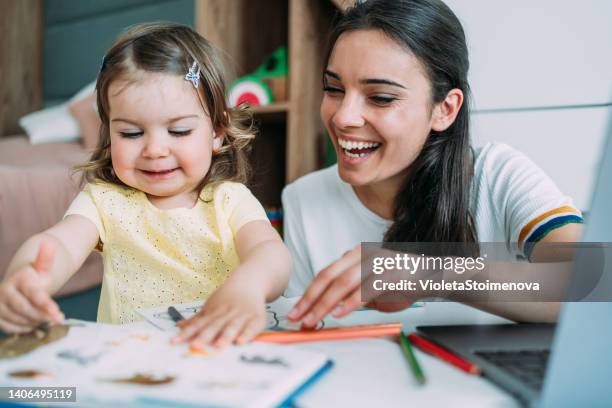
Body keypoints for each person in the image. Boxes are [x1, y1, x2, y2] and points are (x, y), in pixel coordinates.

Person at [284, 0, 583, 328]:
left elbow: (592, 280)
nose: (342, 117)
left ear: (445, 109)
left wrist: (428, 274)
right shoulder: (304, 198)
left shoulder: (497, 176)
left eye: (381, 97)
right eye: (334, 89)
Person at [0, 23, 291, 348]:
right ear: (109, 134)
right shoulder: (104, 200)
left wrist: (248, 286)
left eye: (179, 131)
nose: (154, 150)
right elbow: (60, 245)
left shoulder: (229, 200)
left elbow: (271, 253)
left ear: (217, 132)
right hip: (127, 367)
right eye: (131, 134)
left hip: (213, 356)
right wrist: (29, 276)